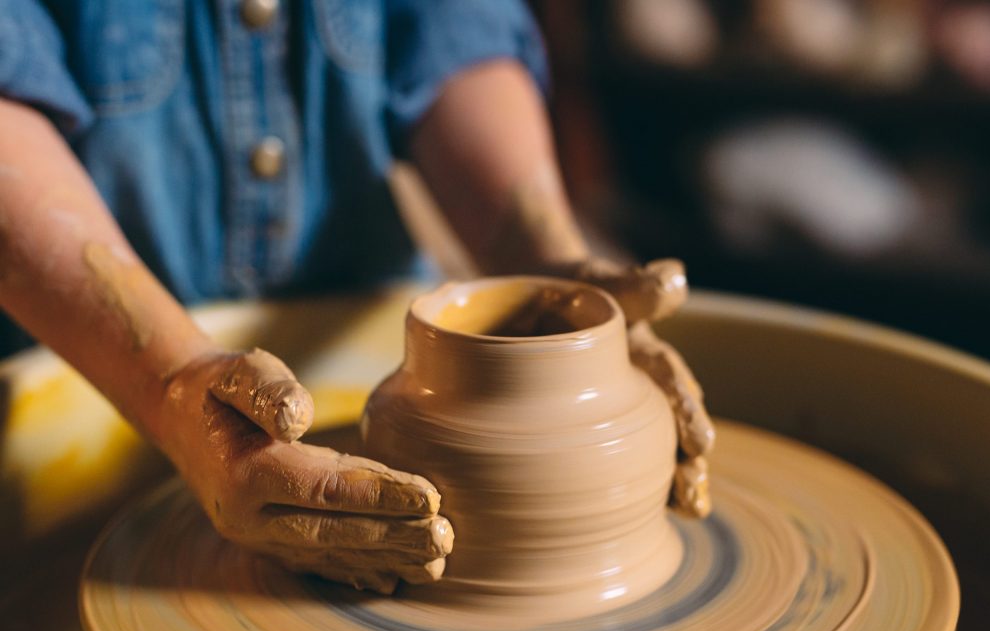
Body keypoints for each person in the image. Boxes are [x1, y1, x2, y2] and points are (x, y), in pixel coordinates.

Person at [0, 0, 713, 593]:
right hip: (86, 347)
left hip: (375, 337)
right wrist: (171, 382)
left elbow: (453, 28)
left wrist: (549, 268)